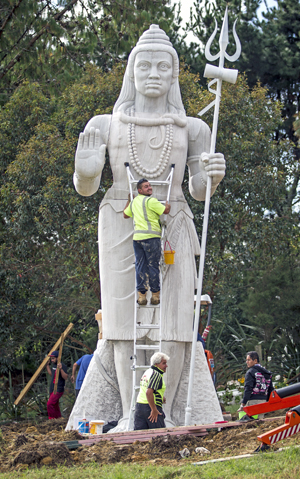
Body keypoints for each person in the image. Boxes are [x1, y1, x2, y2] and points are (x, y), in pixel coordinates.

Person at [72, 24, 226, 428]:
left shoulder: (193, 128)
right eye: (146, 65)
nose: (154, 73)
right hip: (121, 222)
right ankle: (128, 412)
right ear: (132, 71)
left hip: (173, 219)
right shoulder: (107, 123)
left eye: (163, 65)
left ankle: (168, 413)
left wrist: (211, 175)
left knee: (175, 320)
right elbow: (87, 188)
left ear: (174, 73)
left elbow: (196, 191)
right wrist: (86, 172)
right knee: (123, 322)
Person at [123, 178, 171, 305]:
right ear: (140, 190)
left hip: (137, 239)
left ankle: (142, 296)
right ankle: (155, 295)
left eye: (149, 186)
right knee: (153, 266)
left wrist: (129, 200)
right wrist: (167, 206)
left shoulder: (134, 203)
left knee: (140, 266)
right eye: (146, 186)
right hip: (151, 238)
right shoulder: (151, 201)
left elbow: (125, 214)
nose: (149, 188)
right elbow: (165, 211)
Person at [134, 352, 169, 430]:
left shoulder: (147, 372)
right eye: (164, 363)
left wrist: (161, 397)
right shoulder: (156, 374)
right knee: (159, 436)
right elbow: (149, 392)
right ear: (156, 364)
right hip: (150, 407)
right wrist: (154, 409)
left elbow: (147, 388)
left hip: (139, 406)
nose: (166, 366)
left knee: (140, 437)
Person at [238, 351, 274, 421]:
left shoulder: (250, 372)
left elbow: (248, 389)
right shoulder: (267, 373)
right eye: (246, 360)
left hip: (253, 402)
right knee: (261, 423)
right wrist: (267, 401)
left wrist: (243, 404)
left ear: (255, 361)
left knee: (249, 424)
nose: (246, 362)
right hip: (263, 401)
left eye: (248, 360)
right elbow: (270, 389)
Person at [46, 351, 68, 419]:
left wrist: (61, 369)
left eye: (53, 358)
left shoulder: (62, 366)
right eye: (51, 359)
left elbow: (65, 377)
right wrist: (47, 365)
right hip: (52, 388)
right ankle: (58, 418)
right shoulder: (54, 366)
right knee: (55, 405)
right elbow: (51, 374)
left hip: (58, 389)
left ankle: (52, 419)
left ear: (58, 358)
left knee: (49, 404)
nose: (52, 360)